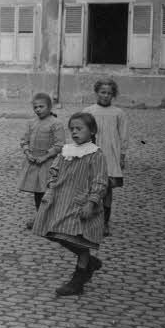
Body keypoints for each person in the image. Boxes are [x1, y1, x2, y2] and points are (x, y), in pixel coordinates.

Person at [32, 112, 108, 296]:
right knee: (52, 232)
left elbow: (100, 181)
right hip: (60, 200)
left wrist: (91, 202)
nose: (74, 132)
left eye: (79, 128)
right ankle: (89, 262)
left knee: (77, 238)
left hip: (80, 203)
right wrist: (50, 188)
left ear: (92, 131)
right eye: (72, 128)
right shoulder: (66, 150)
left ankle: (78, 279)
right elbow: (54, 170)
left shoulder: (95, 154)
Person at [82, 79, 128, 238]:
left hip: (110, 156)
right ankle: (89, 219)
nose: (106, 96)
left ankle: (105, 223)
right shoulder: (88, 111)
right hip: (92, 155)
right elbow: (82, 133)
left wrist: (122, 156)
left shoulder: (118, 113)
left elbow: (123, 136)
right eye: (103, 92)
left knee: (107, 190)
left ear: (113, 95)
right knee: (91, 187)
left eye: (109, 93)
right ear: (97, 92)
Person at [19, 92, 67, 229]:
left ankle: (50, 219)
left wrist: (45, 157)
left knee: (48, 191)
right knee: (37, 192)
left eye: (41, 106)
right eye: (35, 107)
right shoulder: (31, 123)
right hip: (34, 162)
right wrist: (28, 153)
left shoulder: (56, 123)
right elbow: (24, 140)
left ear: (50, 107)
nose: (38, 109)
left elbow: (60, 144)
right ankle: (40, 217)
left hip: (48, 163)